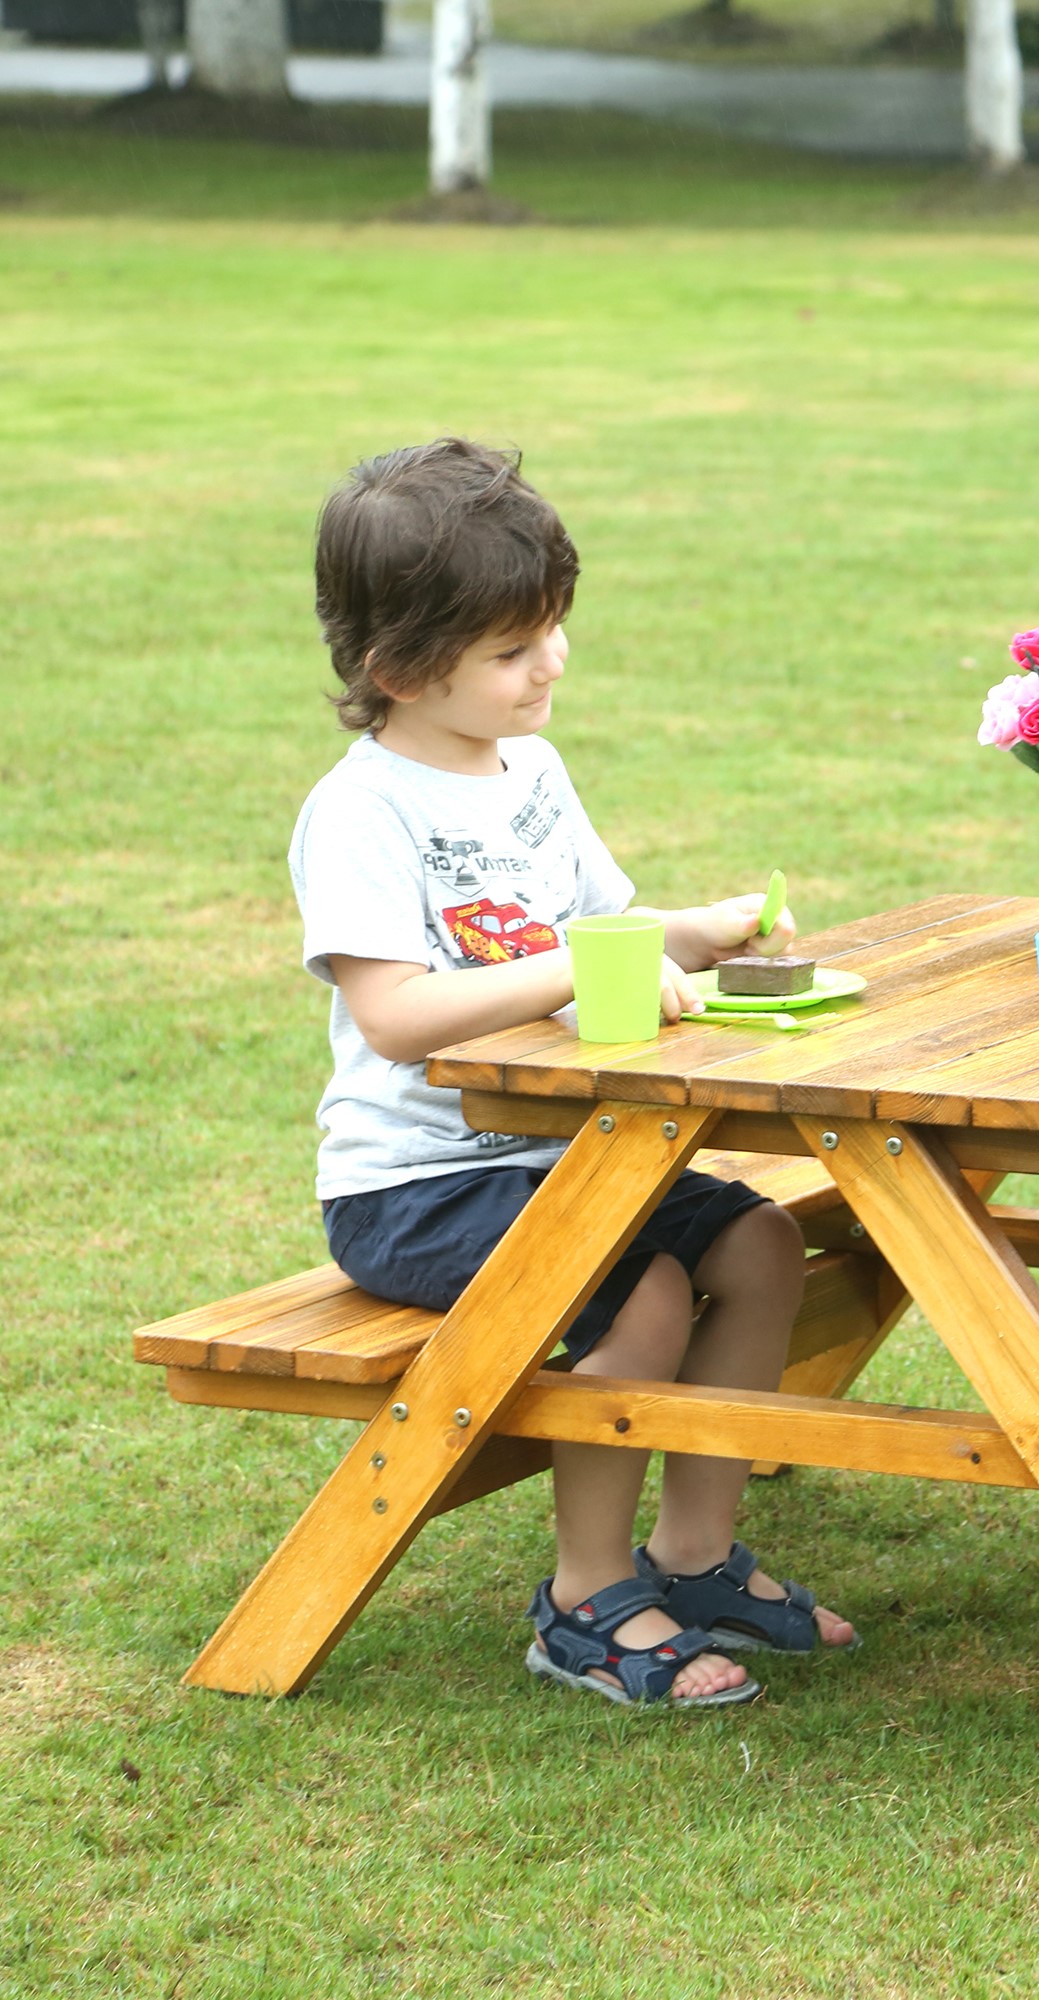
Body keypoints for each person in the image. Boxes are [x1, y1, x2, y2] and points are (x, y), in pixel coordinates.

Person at [289, 437, 856, 1711]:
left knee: (761, 1243)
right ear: (394, 669)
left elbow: (602, 923)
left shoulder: (528, 770)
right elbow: (395, 1015)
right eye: (509, 649)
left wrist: (689, 930)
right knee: (643, 1289)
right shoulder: (362, 812)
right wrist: (565, 968)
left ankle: (694, 1553)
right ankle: (585, 1595)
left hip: (571, 1154)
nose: (550, 663)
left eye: (551, 628)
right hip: (419, 1185)